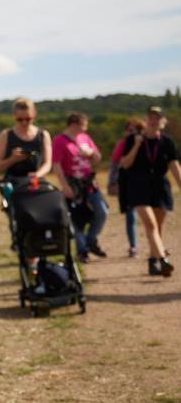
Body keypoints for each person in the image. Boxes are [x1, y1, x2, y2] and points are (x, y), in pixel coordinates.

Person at [118, 106, 181, 276]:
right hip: (138, 185)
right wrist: (137, 145)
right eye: (150, 117)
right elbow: (125, 164)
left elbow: (174, 165)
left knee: (158, 226)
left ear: (163, 122)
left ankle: (153, 261)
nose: (153, 121)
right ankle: (163, 259)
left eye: (157, 118)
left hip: (160, 186)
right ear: (146, 119)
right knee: (150, 224)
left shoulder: (167, 142)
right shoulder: (133, 139)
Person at [52, 112, 107, 263]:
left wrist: (91, 153)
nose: (85, 129)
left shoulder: (85, 138)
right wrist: (64, 186)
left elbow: (97, 157)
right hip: (73, 184)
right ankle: (82, 251)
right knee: (77, 219)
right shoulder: (59, 141)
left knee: (102, 211)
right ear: (74, 125)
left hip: (89, 183)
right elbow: (56, 164)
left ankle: (91, 240)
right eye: (83, 126)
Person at [108, 118, 145, 257]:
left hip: (144, 184)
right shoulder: (122, 144)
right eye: (130, 130)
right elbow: (115, 163)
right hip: (127, 184)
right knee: (131, 216)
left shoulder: (147, 143)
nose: (133, 132)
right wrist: (112, 183)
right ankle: (133, 246)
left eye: (136, 129)